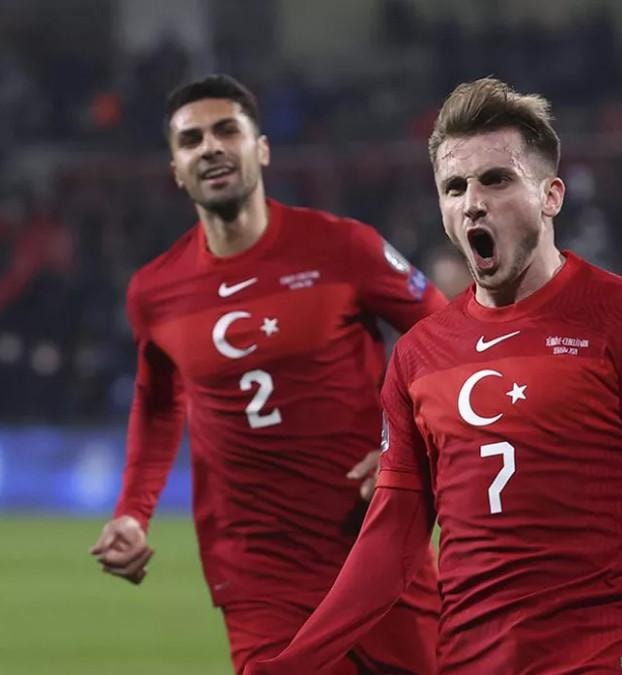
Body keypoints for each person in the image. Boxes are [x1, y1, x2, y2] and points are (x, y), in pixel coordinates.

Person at [249, 77, 622, 675]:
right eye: (454, 187)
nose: (473, 201)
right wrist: (291, 664)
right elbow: (390, 543)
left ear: (551, 196)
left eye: (496, 180)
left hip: (604, 656)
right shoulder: (419, 355)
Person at [88, 74, 445, 674]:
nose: (210, 147)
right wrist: (132, 511)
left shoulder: (342, 247)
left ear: (262, 148)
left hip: (373, 544)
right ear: (176, 170)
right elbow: (157, 403)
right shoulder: (155, 290)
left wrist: (406, 442)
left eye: (227, 130)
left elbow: (447, 336)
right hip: (256, 571)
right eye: (191, 139)